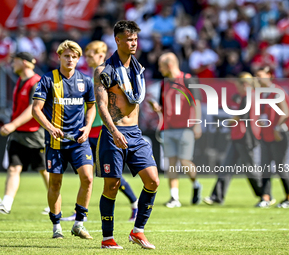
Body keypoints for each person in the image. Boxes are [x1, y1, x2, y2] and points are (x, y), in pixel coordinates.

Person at [94, 20, 159, 249]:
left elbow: (137, 98)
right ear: (117, 40)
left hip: (135, 133)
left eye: (135, 39)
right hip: (114, 132)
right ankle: (107, 238)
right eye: (128, 39)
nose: (133, 43)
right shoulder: (104, 70)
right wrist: (113, 131)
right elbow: (102, 106)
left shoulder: (138, 68)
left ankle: (138, 231)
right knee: (111, 186)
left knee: (153, 180)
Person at [61, 40, 138, 222]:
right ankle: (80, 213)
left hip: (104, 130)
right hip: (89, 131)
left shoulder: (108, 74)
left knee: (109, 173)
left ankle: (135, 203)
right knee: (86, 173)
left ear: (102, 55)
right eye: (86, 56)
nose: (87, 59)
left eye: (91, 55)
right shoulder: (86, 76)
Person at [32, 40, 96, 239]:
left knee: (88, 178)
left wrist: (87, 126)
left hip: (78, 141)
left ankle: (78, 223)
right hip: (56, 142)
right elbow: (36, 110)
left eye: (74, 56)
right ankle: (56, 225)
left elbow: (92, 106)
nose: (70, 59)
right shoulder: (47, 79)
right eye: (66, 56)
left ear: (79, 59)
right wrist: (51, 128)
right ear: (59, 57)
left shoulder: (85, 81)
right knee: (55, 184)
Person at [0, 52, 49, 215]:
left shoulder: (36, 82)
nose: (12, 64)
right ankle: (6, 205)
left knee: (44, 170)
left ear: (25, 63)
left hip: (35, 133)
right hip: (18, 134)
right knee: (14, 168)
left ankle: (55, 203)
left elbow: (33, 109)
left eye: (15, 61)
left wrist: (12, 124)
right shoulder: (21, 80)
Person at [203, 72, 267, 206]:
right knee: (226, 167)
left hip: (246, 137)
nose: (236, 88)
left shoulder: (248, 97)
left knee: (250, 169)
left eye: (238, 85)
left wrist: (225, 122)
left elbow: (240, 116)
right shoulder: (249, 96)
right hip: (239, 136)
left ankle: (265, 195)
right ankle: (217, 197)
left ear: (244, 84)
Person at [150, 52, 202, 208]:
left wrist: (197, 124)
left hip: (186, 128)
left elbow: (196, 103)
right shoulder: (163, 84)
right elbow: (163, 107)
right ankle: (174, 197)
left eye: (161, 66)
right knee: (171, 163)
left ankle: (196, 184)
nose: (159, 69)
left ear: (169, 65)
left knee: (185, 161)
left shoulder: (188, 79)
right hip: (168, 128)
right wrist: (157, 108)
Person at [255, 67, 289, 208]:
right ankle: (265, 197)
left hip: (278, 134)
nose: (258, 79)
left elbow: (285, 113)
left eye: (260, 75)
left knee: (280, 167)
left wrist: (277, 128)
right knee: (265, 166)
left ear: (269, 75)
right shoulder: (261, 93)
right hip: (266, 134)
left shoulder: (277, 91)